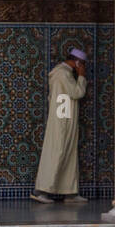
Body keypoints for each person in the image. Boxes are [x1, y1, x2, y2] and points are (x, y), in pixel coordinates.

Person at [31, 47, 88, 205]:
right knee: (57, 152)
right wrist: (82, 77)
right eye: (82, 64)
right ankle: (41, 190)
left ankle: (68, 192)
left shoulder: (65, 73)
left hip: (66, 117)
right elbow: (77, 93)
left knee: (68, 153)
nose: (83, 68)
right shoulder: (62, 73)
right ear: (77, 62)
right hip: (61, 119)